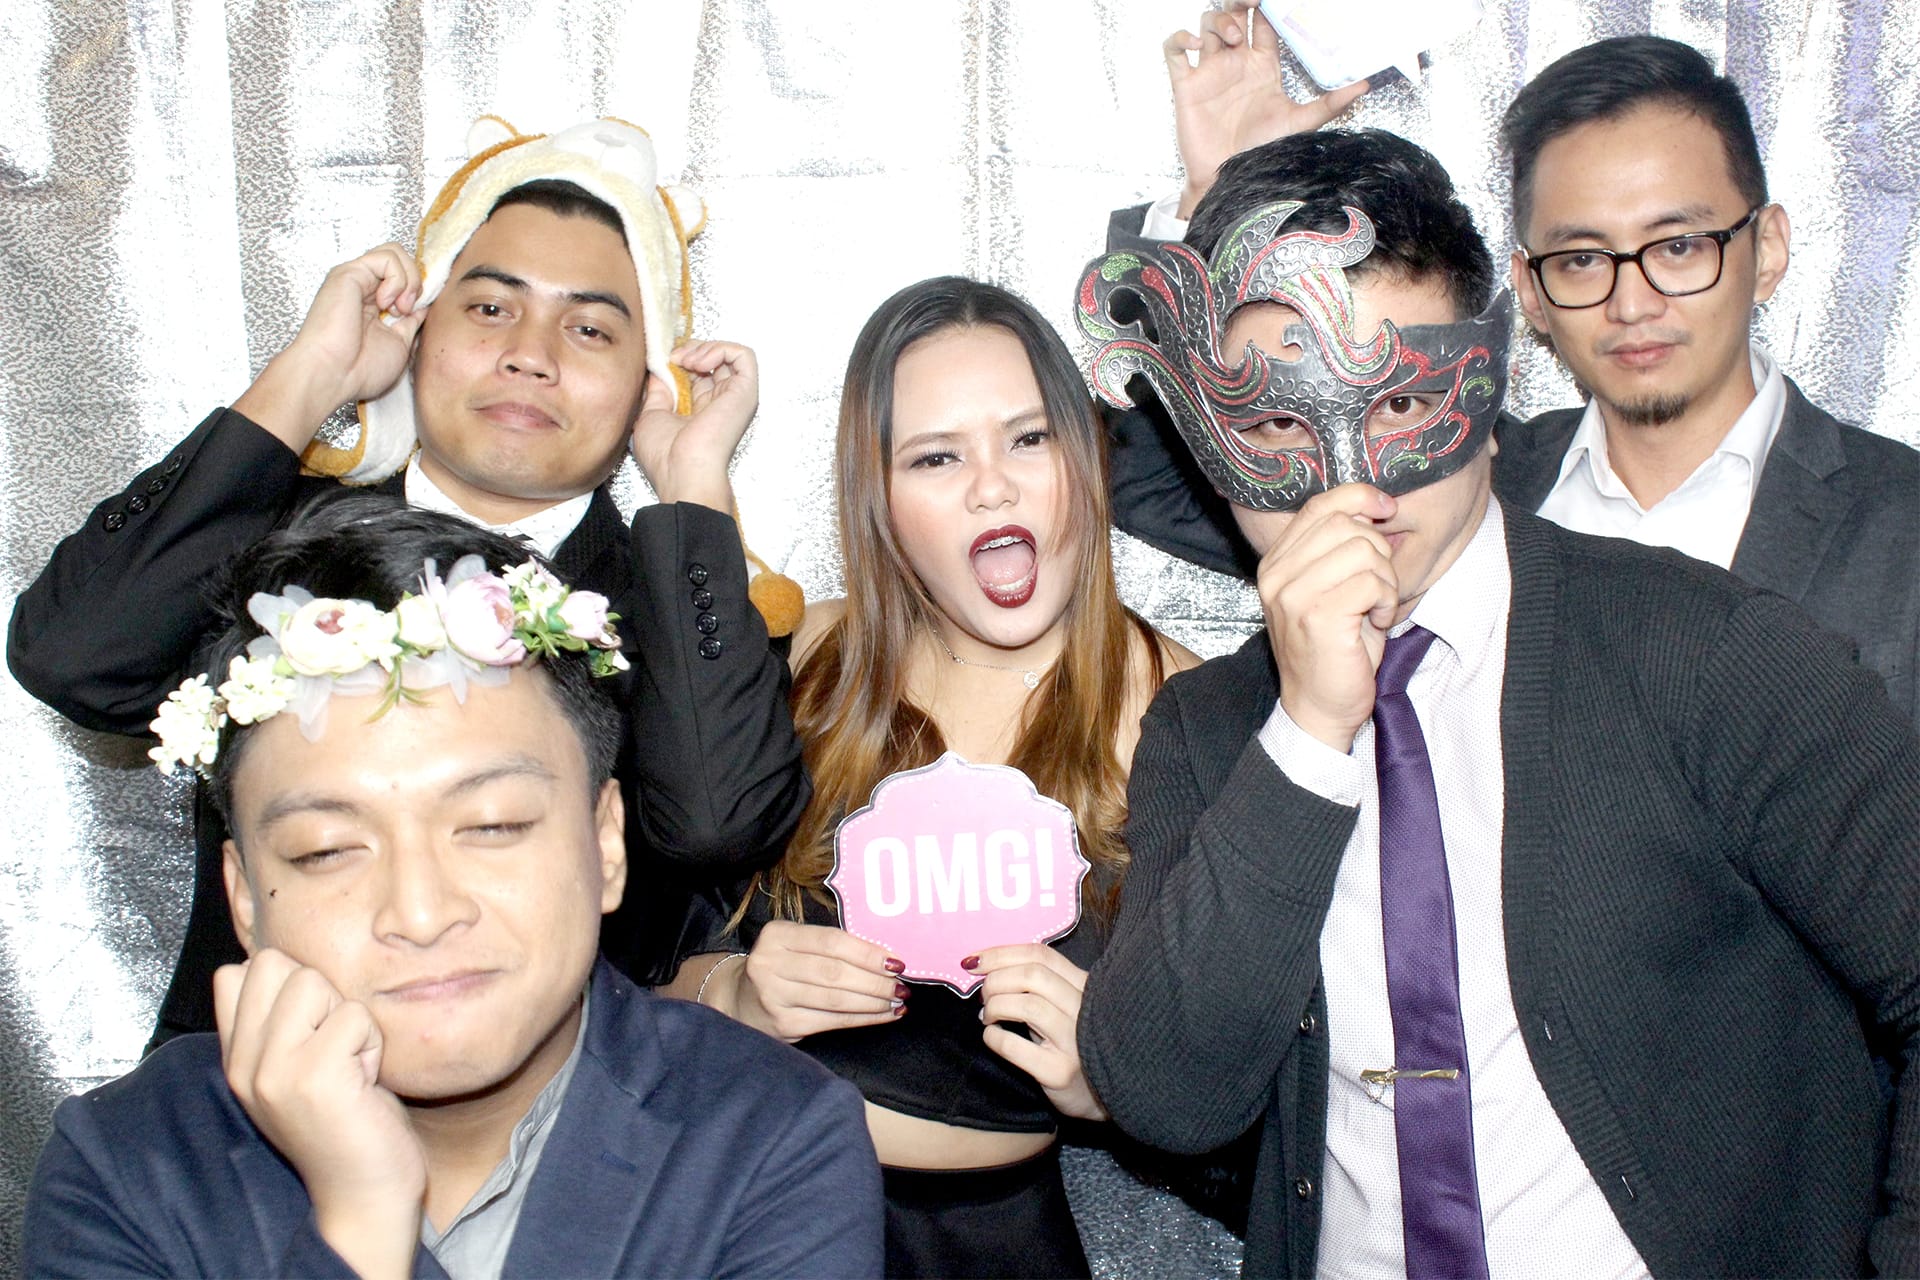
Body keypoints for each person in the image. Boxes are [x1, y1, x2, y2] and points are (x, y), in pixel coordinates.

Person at [1071, 128, 1920, 1277]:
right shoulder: (1210, 730)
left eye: (1402, 403)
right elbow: (1170, 1094)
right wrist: (1308, 734)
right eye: (1273, 421)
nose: (1353, 485)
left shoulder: (1709, 654)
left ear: (1490, 380)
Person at [7, 118, 808, 1045]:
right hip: (246, 1104)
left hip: (564, 1115)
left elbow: (716, 827)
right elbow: (75, 659)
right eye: (490, 308)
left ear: (647, 383)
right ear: (419, 328)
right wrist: (312, 374)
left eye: (590, 328)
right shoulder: (262, 531)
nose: (532, 354)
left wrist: (696, 486)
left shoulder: (683, 602)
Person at [22, 501, 883, 1279]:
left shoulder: (770, 1135)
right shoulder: (128, 1166)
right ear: (245, 899)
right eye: (327, 850)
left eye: (493, 826)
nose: (422, 913)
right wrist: (361, 1220)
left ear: (605, 843)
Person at [1099, 14, 1919, 723]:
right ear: (1528, 290)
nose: (1632, 301)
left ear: (1766, 249)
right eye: (1580, 258)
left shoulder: (1901, 521)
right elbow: (1146, 474)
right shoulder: (1448, 477)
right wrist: (1230, 209)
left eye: (1678, 247)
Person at [666, 277, 1201, 1278]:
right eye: (936, 455)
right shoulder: (808, 662)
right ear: (880, 498)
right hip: (740, 1218)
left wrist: (1118, 1080)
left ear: (1088, 458)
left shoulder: (1187, 715)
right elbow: (630, 963)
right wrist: (731, 992)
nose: (991, 487)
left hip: (988, 1247)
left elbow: (1263, 1072)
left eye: (1030, 437)